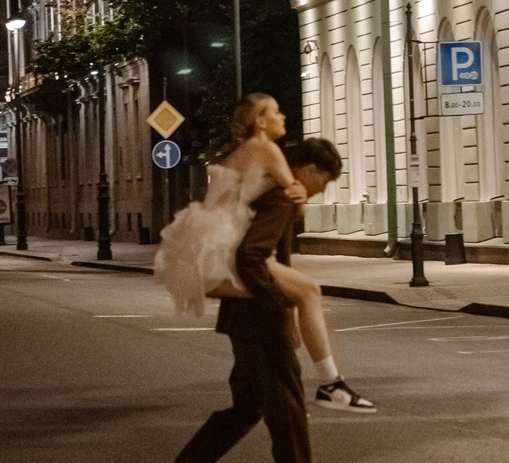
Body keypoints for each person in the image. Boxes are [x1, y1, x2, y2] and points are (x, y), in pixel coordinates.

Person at [144, 136, 346, 463]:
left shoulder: (266, 190)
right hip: (261, 321)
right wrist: (277, 303)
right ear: (309, 169)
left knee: (245, 409)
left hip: (244, 321)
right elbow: (251, 258)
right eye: (324, 181)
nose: (321, 190)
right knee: (289, 419)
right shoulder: (281, 198)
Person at [155, 91, 374, 412]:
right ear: (260, 121)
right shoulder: (266, 149)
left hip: (212, 244)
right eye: (276, 111)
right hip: (227, 247)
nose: (282, 117)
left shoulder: (244, 151)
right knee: (310, 292)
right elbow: (295, 198)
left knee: (248, 401)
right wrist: (295, 194)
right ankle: (331, 384)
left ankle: (332, 384)